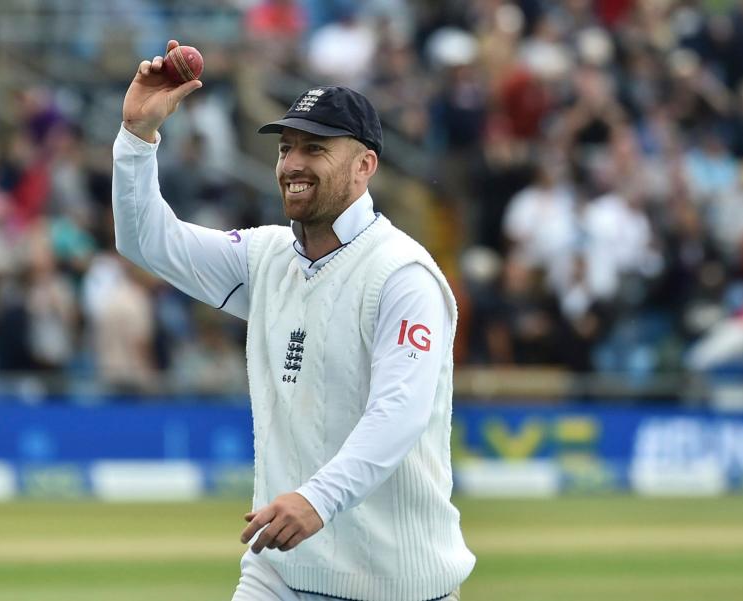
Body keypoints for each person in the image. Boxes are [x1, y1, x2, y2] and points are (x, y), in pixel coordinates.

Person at [112, 40, 475, 601]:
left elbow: (399, 411)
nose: (293, 164)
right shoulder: (265, 257)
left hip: (400, 585)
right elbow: (147, 242)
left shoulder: (403, 274)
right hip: (279, 575)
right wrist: (138, 138)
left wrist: (317, 498)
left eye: (315, 148)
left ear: (365, 165)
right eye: (286, 148)